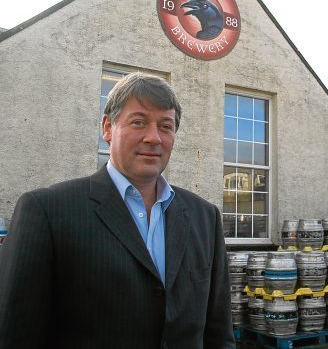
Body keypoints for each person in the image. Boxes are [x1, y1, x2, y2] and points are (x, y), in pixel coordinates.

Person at [0, 72, 235, 348]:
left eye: (166, 126)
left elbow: (219, 333)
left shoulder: (204, 217)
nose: (153, 137)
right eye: (139, 122)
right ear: (108, 128)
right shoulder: (46, 211)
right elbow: (15, 334)